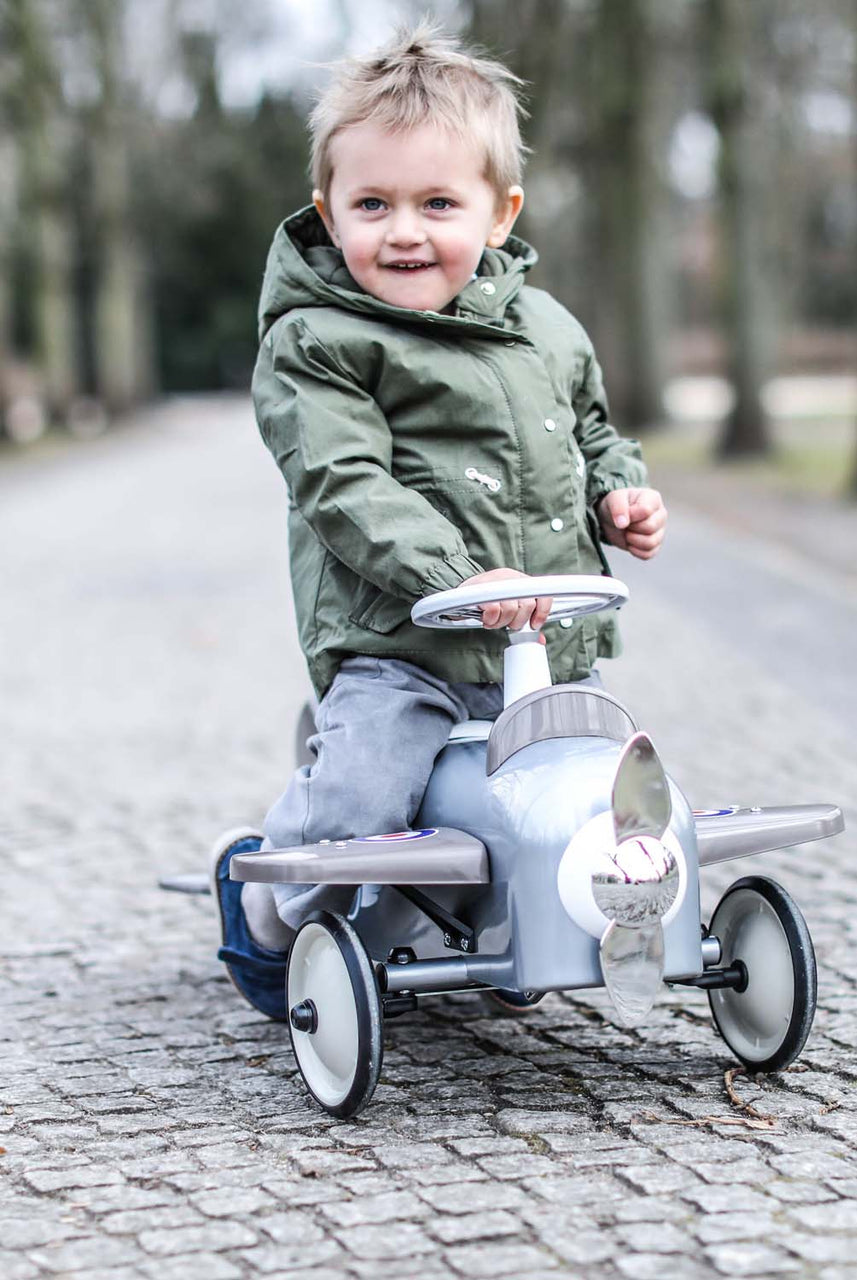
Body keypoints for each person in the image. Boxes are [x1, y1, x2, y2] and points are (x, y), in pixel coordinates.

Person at [212, 23, 668, 1020]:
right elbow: (345, 483)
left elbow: (589, 427)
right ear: (328, 213)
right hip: (401, 643)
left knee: (586, 790)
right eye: (372, 204)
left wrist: (617, 491)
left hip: (543, 641)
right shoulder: (318, 342)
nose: (404, 230)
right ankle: (264, 903)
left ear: (498, 215)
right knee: (364, 799)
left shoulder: (547, 328)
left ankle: (537, 919)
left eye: (437, 203)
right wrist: (459, 577)